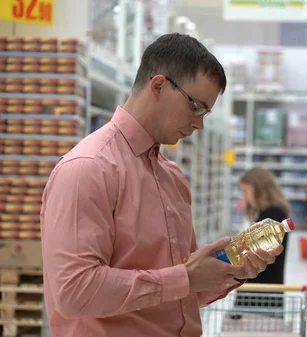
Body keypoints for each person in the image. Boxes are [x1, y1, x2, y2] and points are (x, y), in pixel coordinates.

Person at [40, 33, 283, 337]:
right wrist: (186, 278)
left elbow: (181, 294)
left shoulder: (173, 178)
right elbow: (74, 292)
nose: (200, 124)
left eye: (206, 113)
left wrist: (231, 272)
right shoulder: (89, 169)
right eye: (195, 107)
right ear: (158, 85)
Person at [238, 166, 291, 285]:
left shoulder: (271, 215)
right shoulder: (273, 212)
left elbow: (256, 253)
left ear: (257, 189)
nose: (245, 197)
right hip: (267, 287)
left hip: (262, 289)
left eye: (246, 192)